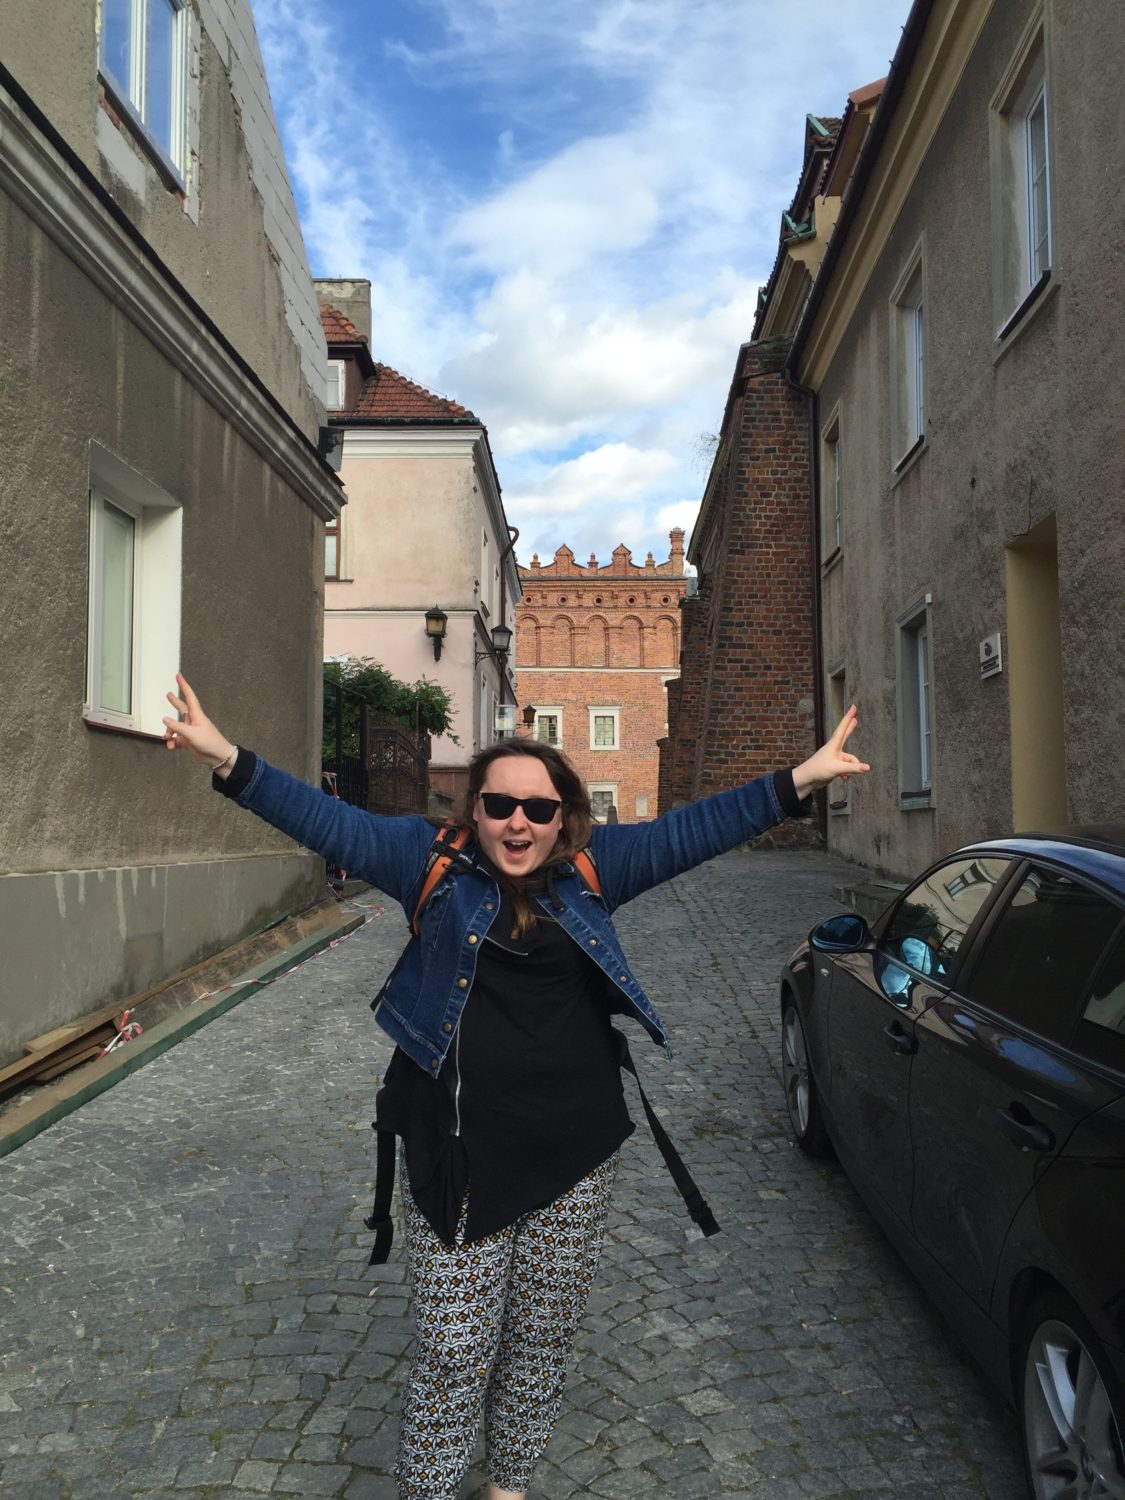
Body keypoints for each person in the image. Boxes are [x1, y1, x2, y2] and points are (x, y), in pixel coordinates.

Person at [163, 676, 869, 1500]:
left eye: (538, 809)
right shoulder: (427, 862)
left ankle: (508, 1487)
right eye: (499, 806)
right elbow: (327, 820)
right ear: (475, 811)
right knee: (452, 1348)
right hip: (455, 1149)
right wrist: (226, 758)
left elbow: (693, 830)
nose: (518, 824)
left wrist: (800, 779)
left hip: (574, 1153)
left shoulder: (595, 869)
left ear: (564, 817)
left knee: (539, 1338)